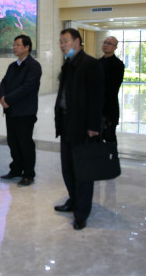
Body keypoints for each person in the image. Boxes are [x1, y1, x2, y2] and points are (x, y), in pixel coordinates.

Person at [54, 28, 104, 230]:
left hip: (82, 126)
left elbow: (97, 97)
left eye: (65, 41)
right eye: (60, 41)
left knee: (82, 171)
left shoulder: (90, 64)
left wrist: (93, 126)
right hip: (66, 123)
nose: (62, 45)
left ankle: (82, 212)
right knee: (68, 168)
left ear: (77, 42)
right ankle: (73, 200)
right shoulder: (68, 64)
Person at [0, 35, 42, 187]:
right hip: (11, 111)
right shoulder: (13, 66)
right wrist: (2, 97)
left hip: (25, 112)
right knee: (13, 142)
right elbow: (3, 82)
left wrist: (8, 99)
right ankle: (16, 169)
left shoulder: (33, 66)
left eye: (18, 44)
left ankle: (28, 174)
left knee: (25, 143)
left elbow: (27, 88)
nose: (14, 47)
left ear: (27, 47)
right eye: (14, 44)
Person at [99, 36, 125, 142]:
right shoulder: (97, 62)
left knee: (109, 137)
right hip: (97, 107)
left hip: (109, 108)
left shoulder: (118, 64)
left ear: (115, 47)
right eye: (104, 42)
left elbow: (112, 88)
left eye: (109, 43)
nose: (105, 45)